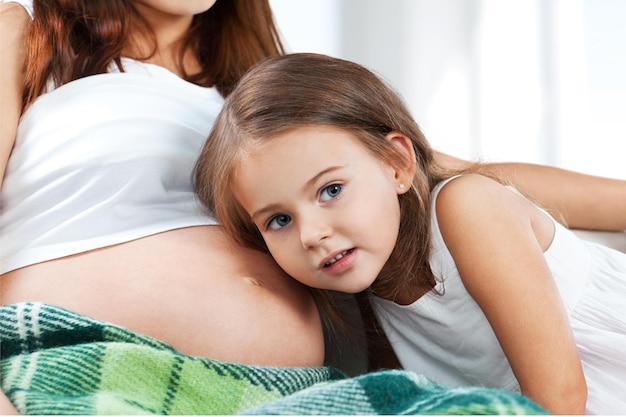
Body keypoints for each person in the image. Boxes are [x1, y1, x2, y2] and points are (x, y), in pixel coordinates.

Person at [0, 0, 624, 413]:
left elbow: (447, 174)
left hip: (283, 394)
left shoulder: (263, 93)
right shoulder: (21, 36)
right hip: (64, 356)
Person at [194, 52, 626, 415]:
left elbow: (561, 400)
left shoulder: (467, 209)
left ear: (397, 164)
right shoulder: (366, 289)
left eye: (331, 190)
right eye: (279, 220)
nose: (311, 234)